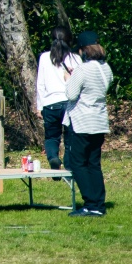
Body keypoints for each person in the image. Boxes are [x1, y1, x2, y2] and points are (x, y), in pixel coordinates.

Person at [63, 33, 112, 217]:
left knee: (78, 163)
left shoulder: (82, 70)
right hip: (99, 120)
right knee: (94, 163)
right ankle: (99, 203)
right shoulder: (106, 68)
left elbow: (71, 94)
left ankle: (90, 203)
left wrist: (69, 78)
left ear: (83, 50)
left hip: (83, 121)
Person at [36, 33, 79, 170]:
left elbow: (40, 84)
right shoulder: (75, 58)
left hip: (50, 103)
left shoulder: (44, 57)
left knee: (51, 137)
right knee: (70, 137)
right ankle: (68, 166)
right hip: (70, 102)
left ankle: (53, 158)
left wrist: (39, 106)